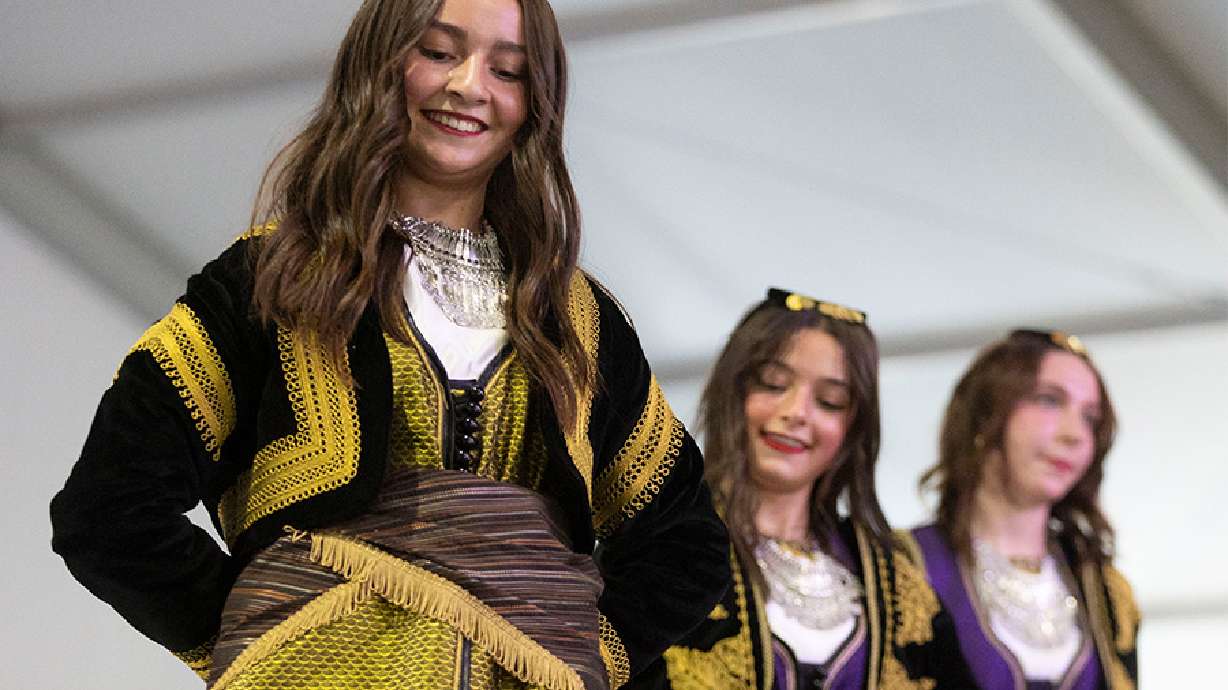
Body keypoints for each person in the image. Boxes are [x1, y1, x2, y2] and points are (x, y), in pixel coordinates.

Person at [49, 1, 729, 688]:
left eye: (509, 70)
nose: (469, 85)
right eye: (437, 52)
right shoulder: (264, 281)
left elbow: (687, 543)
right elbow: (106, 510)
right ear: (379, 62)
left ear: (536, 104)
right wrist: (260, 637)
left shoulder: (581, 320)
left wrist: (590, 652)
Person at [632, 289, 956, 690]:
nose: (797, 412)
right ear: (732, 391)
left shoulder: (893, 581)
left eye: (829, 401)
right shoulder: (660, 549)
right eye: (773, 384)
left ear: (854, 428)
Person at [905, 329, 1140, 689]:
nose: (1074, 434)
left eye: (1089, 418)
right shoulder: (904, 567)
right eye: (1049, 401)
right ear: (985, 416)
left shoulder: (1104, 591)